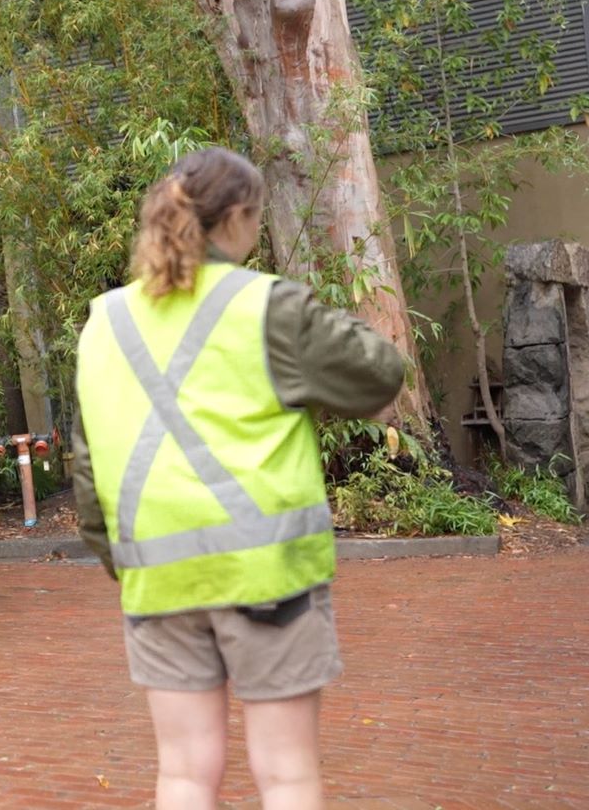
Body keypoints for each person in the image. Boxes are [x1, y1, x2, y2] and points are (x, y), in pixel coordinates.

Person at [72, 147, 404, 810]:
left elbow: (88, 467)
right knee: (285, 774)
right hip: (267, 576)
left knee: (185, 776)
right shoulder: (266, 306)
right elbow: (379, 375)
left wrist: (124, 560)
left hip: (158, 576)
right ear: (241, 217)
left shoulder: (104, 321)